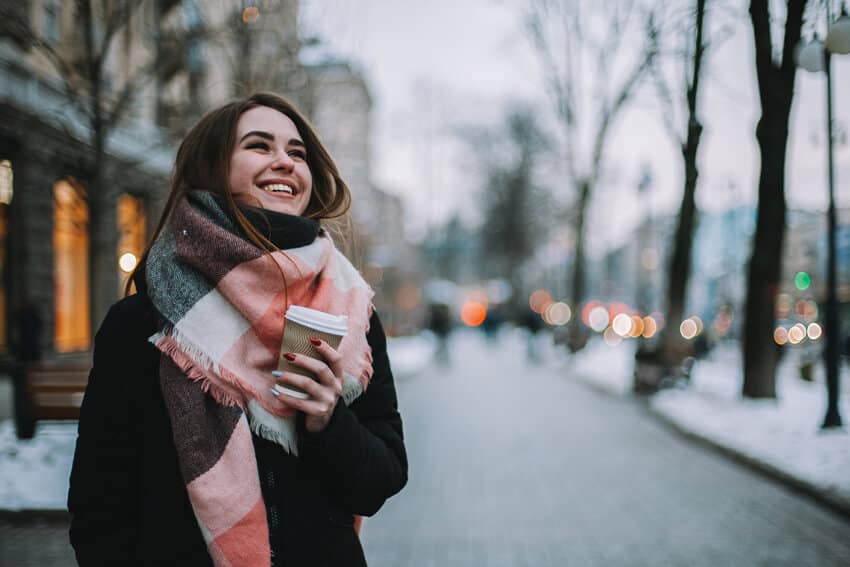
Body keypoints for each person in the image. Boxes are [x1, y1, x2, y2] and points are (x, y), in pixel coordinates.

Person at [68, 93, 408, 567]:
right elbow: (99, 508)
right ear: (212, 168)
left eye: (297, 153)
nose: (284, 162)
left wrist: (328, 421)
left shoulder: (350, 313)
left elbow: (380, 480)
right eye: (259, 146)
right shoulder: (147, 323)